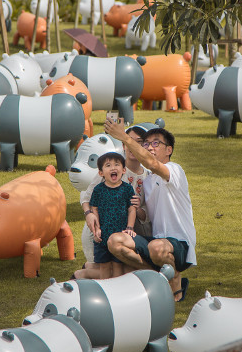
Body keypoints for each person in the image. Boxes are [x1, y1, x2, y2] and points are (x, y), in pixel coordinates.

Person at [105, 119, 196, 301]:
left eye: (156, 143)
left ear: (168, 150)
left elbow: (153, 164)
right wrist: (137, 208)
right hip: (156, 241)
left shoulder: (175, 170)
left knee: (156, 247)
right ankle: (160, 277)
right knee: (115, 241)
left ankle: (175, 280)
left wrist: (124, 137)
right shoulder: (147, 181)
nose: (150, 147)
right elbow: (146, 216)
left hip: (179, 244)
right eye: (146, 144)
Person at [74, 126, 151, 279]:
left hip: (126, 234)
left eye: (139, 142)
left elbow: (145, 215)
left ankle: (86, 270)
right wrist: (88, 214)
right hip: (100, 231)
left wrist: (136, 209)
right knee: (108, 271)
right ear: (123, 145)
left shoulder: (148, 176)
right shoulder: (111, 168)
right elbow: (86, 196)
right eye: (128, 141)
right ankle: (81, 275)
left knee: (123, 270)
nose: (132, 146)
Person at [89, 152, 137, 279]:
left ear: (124, 170)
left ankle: (117, 291)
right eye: (108, 165)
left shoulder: (127, 189)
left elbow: (132, 209)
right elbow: (94, 209)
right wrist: (97, 229)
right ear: (101, 173)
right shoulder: (98, 189)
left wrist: (130, 228)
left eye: (117, 164)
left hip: (120, 234)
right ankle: (106, 289)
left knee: (117, 264)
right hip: (103, 234)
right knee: (104, 265)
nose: (113, 168)